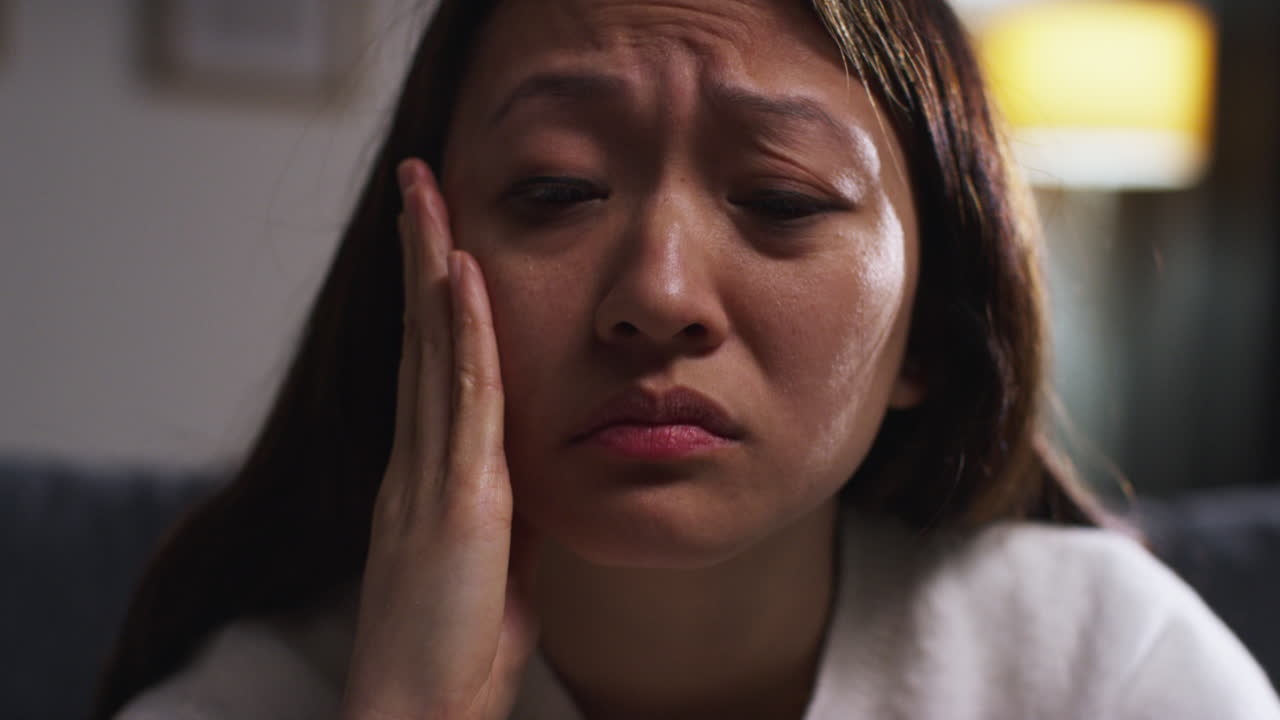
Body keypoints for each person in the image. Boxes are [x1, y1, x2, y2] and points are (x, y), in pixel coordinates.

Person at [94, 0, 1280, 718]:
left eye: (777, 196)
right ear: (417, 270)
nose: (656, 296)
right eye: (556, 188)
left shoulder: (1099, 670)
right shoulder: (258, 697)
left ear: (930, 325)